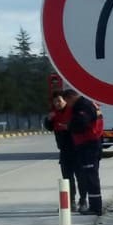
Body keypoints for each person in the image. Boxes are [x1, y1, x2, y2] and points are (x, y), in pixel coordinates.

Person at [64, 87, 104, 216]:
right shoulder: (85, 104)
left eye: (67, 102)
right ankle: (94, 205)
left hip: (89, 145)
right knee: (89, 176)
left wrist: (69, 126)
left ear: (71, 98)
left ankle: (96, 207)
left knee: (91, 177)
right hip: (88, 144)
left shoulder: (83, 106)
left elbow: (81, 123)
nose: (68, 105)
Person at [45, 91, 82, 210]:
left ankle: (83, 200)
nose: (57, 103)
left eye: (59, 101)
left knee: (81, 177)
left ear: (65, 100)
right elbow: (49, 127)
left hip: (77, 149)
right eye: (55, 101)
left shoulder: (72, 111)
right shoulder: (54, 114)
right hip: (64, 151)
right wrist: (48, 120)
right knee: (67, 178)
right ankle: (70, 202)